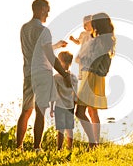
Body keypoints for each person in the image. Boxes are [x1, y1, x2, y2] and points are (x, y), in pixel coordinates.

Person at [17, 0, 71, 151]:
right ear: (41, 9)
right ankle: (36, 147)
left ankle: (18, 146)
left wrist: (57, 45)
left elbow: (38, 50)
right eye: (47, 9)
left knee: (26, 111)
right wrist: (64, 74)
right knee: (40, 111)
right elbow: (50, 57)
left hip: (28, 73)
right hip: (42, 73)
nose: (48, 13)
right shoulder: (44, 31)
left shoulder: (24, 28)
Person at [75, 12, 116, 149]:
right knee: (89, 111)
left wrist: (83, 59)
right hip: (94, 77)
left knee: (79, 112)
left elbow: (94, 61)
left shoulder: (99, 41)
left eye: (93, 21)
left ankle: (93, 143)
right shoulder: (105, 40)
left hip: (90, 76)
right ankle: (93, 143)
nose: (91, 24)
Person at [50, 51, 78, 151]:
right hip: (70, 106)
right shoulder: (74, 78)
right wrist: (74, 107)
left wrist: (51, 108)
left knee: (60, 130)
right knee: (69, 129)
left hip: (59, 106)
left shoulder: (56, 78)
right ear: (70, 63)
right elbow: (76, 96)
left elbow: (53, 94)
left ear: (59, 62)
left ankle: (59, 148)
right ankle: (70, 148)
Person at [69, 15, 93, 80]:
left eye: (87, 23)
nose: (85, 26)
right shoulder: (83, 34)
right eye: (84, 24)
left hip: (90, 53)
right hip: (83, 53)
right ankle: (82, 77)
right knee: (81, 65)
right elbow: (78, 42)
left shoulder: (94, 33)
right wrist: (73, 39)